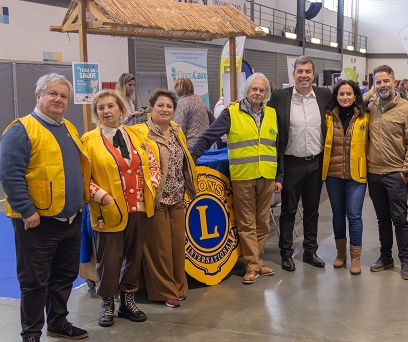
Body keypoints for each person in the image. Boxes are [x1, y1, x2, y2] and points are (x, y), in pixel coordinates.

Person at [0, 73, 91, 342]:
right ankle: (30, 335)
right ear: (38, 96)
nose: (58, 99)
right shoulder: (20, 130)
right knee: (34, 281)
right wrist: (27, 211)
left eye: (63, 96)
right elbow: (9, 174)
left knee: (64, 276)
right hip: (37, 223)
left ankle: (58, 322)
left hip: (70, 220)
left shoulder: (69, 128)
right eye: (52, 93)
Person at [83, 89, 161, 327]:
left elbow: (152, 162)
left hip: (138, 207)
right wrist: (103, 197)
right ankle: (107, 302)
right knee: (109, 259)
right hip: (107, 211)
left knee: (133, 256)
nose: (107, 111)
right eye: (101, 108)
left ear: (121, 109)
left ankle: (128, 301)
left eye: (111, 106)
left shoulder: (137, 135)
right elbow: (83, 178)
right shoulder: (89, 141)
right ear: (97, 114)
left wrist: (152, 185)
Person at [191, 73, 278, 284]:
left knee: (263, 223)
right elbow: (207, 137)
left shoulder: (273, 114)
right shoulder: (231, 113)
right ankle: (251, 266)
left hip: (267, 174)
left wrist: (280, 175)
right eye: (253, 89)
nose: (257, 93)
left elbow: (278, 146)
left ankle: (257, 261)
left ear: (266, 94)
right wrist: (190, 159)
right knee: (247, 223)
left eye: (261, 90)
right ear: (246, 91)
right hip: (243, 176)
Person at [267, 56, 332, 272]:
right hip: (291, 163)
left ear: (314, 75)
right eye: (300, 71)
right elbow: (262, 115)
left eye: (308, 71)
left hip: (316, 163)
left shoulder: (324, 95)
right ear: (293, 74)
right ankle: (286, 253)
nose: (304, 75)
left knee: (312, 210)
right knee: (289, 210)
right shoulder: (279, 97)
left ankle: (310, 251)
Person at [137, 89, 198, 307]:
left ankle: (179, 286)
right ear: (151, 109)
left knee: (176, 245)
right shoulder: (140, 132)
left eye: (169, 106)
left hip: (177, 195)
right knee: (159, 248)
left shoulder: (176, 130)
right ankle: (165, 291)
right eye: (160, 105)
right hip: (156, 198)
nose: (165, 109)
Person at [367, 65, 408, 280]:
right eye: (378, 82)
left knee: (399, 219)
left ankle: (405, 260)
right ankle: (385, 257)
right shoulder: (370, 108)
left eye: (386, 81)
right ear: (374, 85)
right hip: (374, 173)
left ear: (394, 81)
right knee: (382, 219)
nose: (382, 85)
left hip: (395, 174)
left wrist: (405, 171)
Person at [322, 80, 369, 275]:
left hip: (356, 174)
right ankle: (341, 254)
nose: (345, 97)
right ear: (336, 96)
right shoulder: (328, 116)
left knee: (355, 215)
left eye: (349, 94)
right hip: (333, 174)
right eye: (341, 94)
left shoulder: (365, 117)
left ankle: (356, 257)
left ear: (356, 96)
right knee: (338, 216)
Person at [172, 77, 210, 148]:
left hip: (190, 144)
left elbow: (178, 129)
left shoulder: (182, 103)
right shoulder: (200, 100)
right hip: (204, 142)